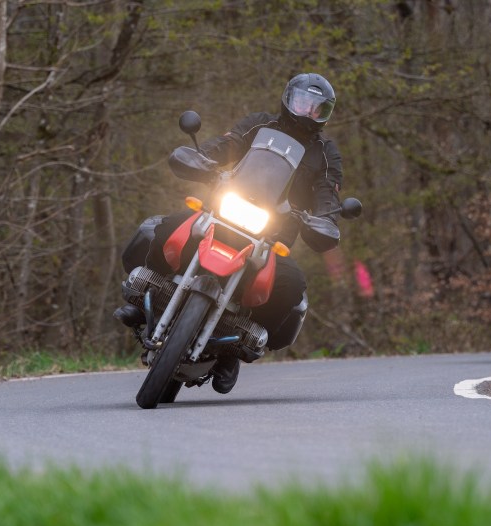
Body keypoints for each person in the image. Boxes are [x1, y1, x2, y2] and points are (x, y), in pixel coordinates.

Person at [115, 73, 343, 393]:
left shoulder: (325, 154)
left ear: (325, 114)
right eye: (302, 102)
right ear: (288, 99)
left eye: (317, 108)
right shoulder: (260, 124)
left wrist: (326, 219)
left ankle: (230, 353)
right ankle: (145, 303)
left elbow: (327, 196)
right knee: (167, 228)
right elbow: (228, 143)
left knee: (292, 285)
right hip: (222, 212)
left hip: (269, 235)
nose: (307, 112)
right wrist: (204, 157)